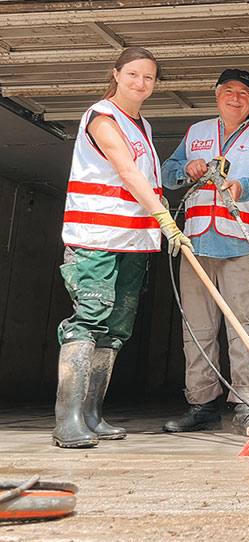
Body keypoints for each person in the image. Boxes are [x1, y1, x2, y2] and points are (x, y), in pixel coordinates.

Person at [55, 47, 193, 448]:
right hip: (95, 237)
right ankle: (68, 420)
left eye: (148, 77)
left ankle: (93, 414)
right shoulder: (102, 117)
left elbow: (145, 181)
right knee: (91, 316)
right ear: (116, 74)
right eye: (133, 74)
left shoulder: (142, 126)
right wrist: (166, 219)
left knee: (117, 327)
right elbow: (127, 171)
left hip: (132, 240)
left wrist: (158, 213)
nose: (140, 83)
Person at [161, 69, 249, 435]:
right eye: (229, 91)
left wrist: (241, 186)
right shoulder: (196, 132)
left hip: (242, 243)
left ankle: (246, 402)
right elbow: (166, 173)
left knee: (245, 326)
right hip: (196, 243)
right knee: (196, 327)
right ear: (216, 95)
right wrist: (187, 168)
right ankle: (201, 404)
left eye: (244, 92)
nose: (236, 97)